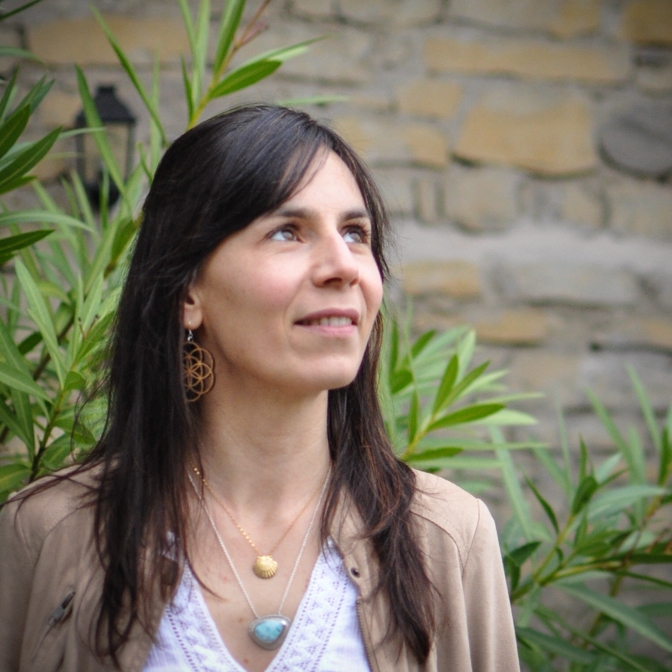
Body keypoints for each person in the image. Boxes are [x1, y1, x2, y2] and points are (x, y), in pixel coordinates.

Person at [0, 105, 519, 672]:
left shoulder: (446, 539)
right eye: (287, 232)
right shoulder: (49, 534)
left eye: (355, 233)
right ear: (188, 293)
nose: (343, 266)